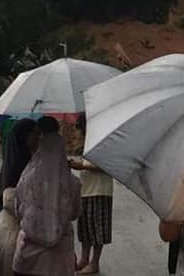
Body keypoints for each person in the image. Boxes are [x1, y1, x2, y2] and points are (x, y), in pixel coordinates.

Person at [12, 117, 81, 276]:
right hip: (60, 261)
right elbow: (75, 213)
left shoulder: (27, 177)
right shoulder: (73, 183)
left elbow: (18, 211)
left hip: (28, 259)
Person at [68, 117, 114, 275]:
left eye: (76, 128)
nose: (75, 132)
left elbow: (106, 166)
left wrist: (80, 165)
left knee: (97, 230)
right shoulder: (88, 144)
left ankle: (95, 263)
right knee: (86, 228)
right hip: (86, 190)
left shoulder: (103, 141)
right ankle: (84, 259)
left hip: (100, 190)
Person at [0, 119, 41, 276]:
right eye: (34, 134)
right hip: (13, 233)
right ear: (24, 137)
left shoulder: (28, 161)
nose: (38, 138)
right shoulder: (17, 167)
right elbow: (12, 201)